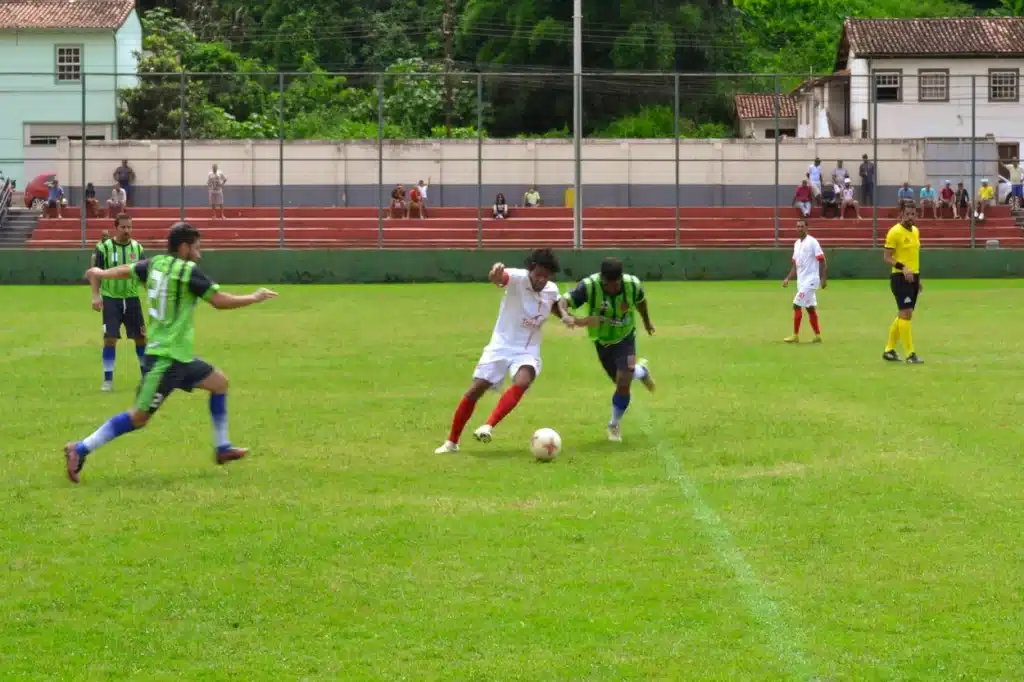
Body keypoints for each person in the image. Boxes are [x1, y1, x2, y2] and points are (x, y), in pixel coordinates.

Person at [64, 222, 278, 483]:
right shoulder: (188, 271)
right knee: (138, 417)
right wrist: (254, 298)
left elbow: (126, 271)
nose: (199, 254)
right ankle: (80, 448)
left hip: (181, 357)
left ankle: (222, 448)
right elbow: (219, 301)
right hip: (165, 359)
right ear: (184, 247)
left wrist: (100, 272)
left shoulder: (154, 264)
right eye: (196, 248)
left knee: (220, 383)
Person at [434, 249, 564, 454]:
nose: (542, 279)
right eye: (539, 274)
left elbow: (558, 308)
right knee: (476, 389)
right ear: (531, 269)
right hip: (501, 345)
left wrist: (570, 318)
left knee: (523, 380)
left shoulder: (551, 290)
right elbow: (500, 278)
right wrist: (496, 274)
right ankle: (452, 442)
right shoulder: (518, 278)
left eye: (546, 276)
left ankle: (488, 425)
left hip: (527, 350)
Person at [558, 257, 656, 442]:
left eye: (615, 284)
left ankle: (613, 424)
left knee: (623, 381)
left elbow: (641, 302)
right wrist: (565, 315)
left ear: (621, 278)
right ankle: (641, 371)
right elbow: (564, 301)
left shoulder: (632, 285)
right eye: (607, 284)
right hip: (601, 340)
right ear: (602, 278)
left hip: (625, 337)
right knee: (620, 380)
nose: (611, 288)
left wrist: (647, 322)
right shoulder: (589, 286)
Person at [91, 214, 147, 392]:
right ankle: (108, 380)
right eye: (123, 227)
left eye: (129, 227)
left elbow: (144, 274)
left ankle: (147, 378)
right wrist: (95, 295)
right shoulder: (104, 248)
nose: (127, 231)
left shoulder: (138, 248)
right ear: (116, 228)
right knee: (110, 339)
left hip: (132, 299)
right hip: (111, 299)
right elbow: (95, 272)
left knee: (141, 338)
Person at [882, 205, 923, 364]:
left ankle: (889, 350)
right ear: (901, 215)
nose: (910, 217)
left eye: (913, 214)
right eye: (907, 214)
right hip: (900, 277)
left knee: (904, 314)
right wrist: (902, 267)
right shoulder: (894, 232)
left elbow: (913, 256)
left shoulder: (916, 231)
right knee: (906, 313)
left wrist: (919, 279)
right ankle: (910, 354)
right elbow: (886, 257)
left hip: (913, 277)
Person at [782, 219, 826, 343]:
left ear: (807, 228)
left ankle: (795, 335)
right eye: (798, 226)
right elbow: (795, 266)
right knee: (810, 308)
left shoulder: (813, 242)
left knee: (796, 304)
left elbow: (822, 259)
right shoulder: (796, 244)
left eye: (802, 226)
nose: (799, 228)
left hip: (811, 280)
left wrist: (823, 278)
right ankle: (818, 336)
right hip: (801, 282)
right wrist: (788, 279)